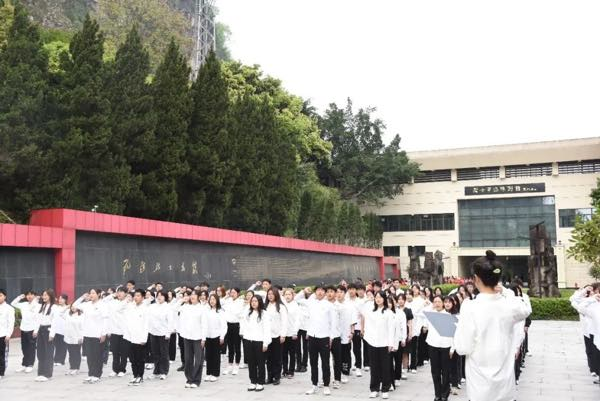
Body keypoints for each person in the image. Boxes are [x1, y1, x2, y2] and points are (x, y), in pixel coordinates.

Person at [453, 251, 531, 401]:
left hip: (480, 387)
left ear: (476, 279)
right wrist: (506, 291)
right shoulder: (509, 305)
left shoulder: (470, 307)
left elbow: (463, 347)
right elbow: (525, 310)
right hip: (505, 386)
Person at [296, 285, 336, 396]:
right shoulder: (311, 302)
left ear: (325, 293)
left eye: (322, 291)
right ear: (315, 292)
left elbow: (333, 322)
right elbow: (297, 299)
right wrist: (304, 291)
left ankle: (326, 385)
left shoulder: (329, 305)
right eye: (318, 290)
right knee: (313, 363)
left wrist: (331, 337)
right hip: (312, 337)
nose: (320, 292)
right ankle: (314, 385)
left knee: (325, 363)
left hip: (324, 337)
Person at [361, 291, 395, 399]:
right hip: (372, 343)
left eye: (380, 297)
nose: (378, 299)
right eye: (376, 297)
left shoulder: (389, 313)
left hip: (384, 343)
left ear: (384, 299)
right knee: (374, 367)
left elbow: (391, 329)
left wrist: (391, 343)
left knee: (385, 367)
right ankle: (374, 388)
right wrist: (367, 300)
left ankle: (385, 388)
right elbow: (361, 311)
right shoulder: (371, 311)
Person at [73, 289, 109, 384]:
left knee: (97, 355)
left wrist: (103, 333)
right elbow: (74, 305)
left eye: (93, 293)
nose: (91, 295)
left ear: (98, 294)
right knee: (89, 355)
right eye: (90, 293)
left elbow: (105, 320)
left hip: (98, 334)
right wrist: (82, 297)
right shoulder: (87, 304)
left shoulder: (102, 305)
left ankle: (97, 375)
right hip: (87, 334)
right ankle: (91, 374)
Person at [424, 295, 453, 401]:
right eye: (435, 302)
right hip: (433, 345)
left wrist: (452, 348)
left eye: (439, 301)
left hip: (446, 346)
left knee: (445, 371)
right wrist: (429, 306)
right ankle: (437, 394)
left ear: (443, 303)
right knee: (435, 371)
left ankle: (445, 394)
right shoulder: (430, 314)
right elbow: (421, 316)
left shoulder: (448, 316)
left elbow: (453, 334)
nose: (437, 304)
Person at [178, 290, 207, 388]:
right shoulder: (186, 307)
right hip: (187, 336)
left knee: (198, 360)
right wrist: (182, 300)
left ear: (198, 297)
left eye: (194, 294)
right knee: (188, 359)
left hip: (198, 337)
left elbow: (204, 324)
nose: (192, 296)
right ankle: (189, 379)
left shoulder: (202, 308)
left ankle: (196, 380)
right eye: (191, 294)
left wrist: (203, 338)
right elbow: (173, 309)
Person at [241, 295, 271, 392]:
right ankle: (253, 381)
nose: (253, 303)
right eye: (252, 301)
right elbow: (243, 323)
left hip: (259, 341)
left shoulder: (264, 313)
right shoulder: (248, 312)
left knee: (260, 362)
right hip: (248, 340)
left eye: (255, 301)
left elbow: (267, 329)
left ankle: (260, 382)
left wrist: (266, 343)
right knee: (251, 362)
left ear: (260, 302)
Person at [147, 290, 174, 380]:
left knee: (164, 353)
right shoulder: (153, 306)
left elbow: (170, 321)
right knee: (155, 353)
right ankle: (156, 371)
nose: (159, 297)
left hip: (163, 333)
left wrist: (168, 333)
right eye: (158, 295)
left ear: (165, 297)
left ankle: (164, 371)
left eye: (161, 295)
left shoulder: (168, 307)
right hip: (153, 333)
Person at [11, 291, 39, 373]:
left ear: (34, 296)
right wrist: (19, 297)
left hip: (32, 329)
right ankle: (24, 364)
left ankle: (30, 365)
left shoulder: (38, 306)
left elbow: (38, 319)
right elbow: (13, 303)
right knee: (24, 348)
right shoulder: (23, 304)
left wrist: (36, 330)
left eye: (31, 294)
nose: (29, 296)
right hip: (23, 328)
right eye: (28, 295)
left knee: (31, 348)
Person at [265, 287, 288, 385]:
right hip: (267, 336)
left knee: (277, 357)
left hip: (277, 335)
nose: (270, 296)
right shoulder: (265, 306)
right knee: (268, 358)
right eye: (269, 294)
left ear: (276, 295)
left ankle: (277, 376)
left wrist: (283, 335)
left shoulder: (281, 307)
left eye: (272, 294)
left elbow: (284, 322)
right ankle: (270, 376)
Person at [34, 289, 56, 382]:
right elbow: (38, 320)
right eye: (43, 295)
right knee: (41, 352)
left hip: (48, 330)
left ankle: (48, 374)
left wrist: (52, 334)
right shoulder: (42, 306)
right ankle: (41, 373)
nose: (44, 297)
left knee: (48, 353)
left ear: (50, 296)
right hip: (41, 330)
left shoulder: (54, 307)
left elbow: (55, 322)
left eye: (46, 295)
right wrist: (36, 330)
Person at [336, 285, 356, 384]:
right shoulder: (334, 304)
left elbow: (353, 320)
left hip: (346, 332)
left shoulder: (349, 305)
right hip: (336, 333)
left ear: (345, 293)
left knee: (345, 353)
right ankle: (337, 372)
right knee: (336, 354)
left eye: (341, 292)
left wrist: (352, 332)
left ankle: (345, 371)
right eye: (337, 292)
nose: (339, 294)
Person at [204, 293, 227, 382]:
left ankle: (215, 374)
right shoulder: (207, 311)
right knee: (208, 355)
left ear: (217, 300)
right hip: (208, 336)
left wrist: (222, 336)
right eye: (211, 299)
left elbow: (224, 326)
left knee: (216, 356)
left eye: (214, 299)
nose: (212, 301)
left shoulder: (220, 311)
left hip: (217, 336)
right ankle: (208, 373)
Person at [222, 287, 244, 375]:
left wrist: (230, 309)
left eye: (234, 292)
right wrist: (226, 296)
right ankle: (230, 364)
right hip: (228, 325)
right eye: (231, 292)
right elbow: (220, 303)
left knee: (237, 346)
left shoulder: (241, 302)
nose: (232, 294)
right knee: (230, 346)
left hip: (237, 325)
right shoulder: (228, 301)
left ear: (238, 293)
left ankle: (237, 365)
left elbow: (237, 313)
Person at [282, 288, 301, 379]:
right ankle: (284, 370)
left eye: (289, 294)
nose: (287, 296)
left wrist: (295, 332)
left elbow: (298, 320)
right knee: (283, 353)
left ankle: (291, 371)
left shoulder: (296, 306)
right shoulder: (282, 305)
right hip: (283, 334)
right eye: (286, 294)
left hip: (292, 333)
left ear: (293, 296)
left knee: (292, 354)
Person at [63, 304, 83, 375]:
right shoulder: (68, 315)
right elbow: (60, 313)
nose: (73, 308)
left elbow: (82, 328)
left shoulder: (81, 316)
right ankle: (71, 367)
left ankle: (76, 368)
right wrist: (66, 307)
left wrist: (81, 337)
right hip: (69, 337)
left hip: (77, 337)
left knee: (76, 353)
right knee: (71, 353)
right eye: (72, 306)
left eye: (75, 306)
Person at [0, 288, 15, 379]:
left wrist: (9, 334)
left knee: (2, 354)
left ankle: (1, 372)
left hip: (3, 335)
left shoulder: (9, 308)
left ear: (4, 296)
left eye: (0, 295)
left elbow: (11, 322)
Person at [51, 294, 69, 367]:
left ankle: (61, 361)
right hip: (56, 329)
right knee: (57, 346)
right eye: (59, 298)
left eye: (62, 299)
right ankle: (56, 359)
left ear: (65, 300)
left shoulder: (68, 309)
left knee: (63, 346)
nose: (60, 300)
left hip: (64, 330)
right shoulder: (56, 307)